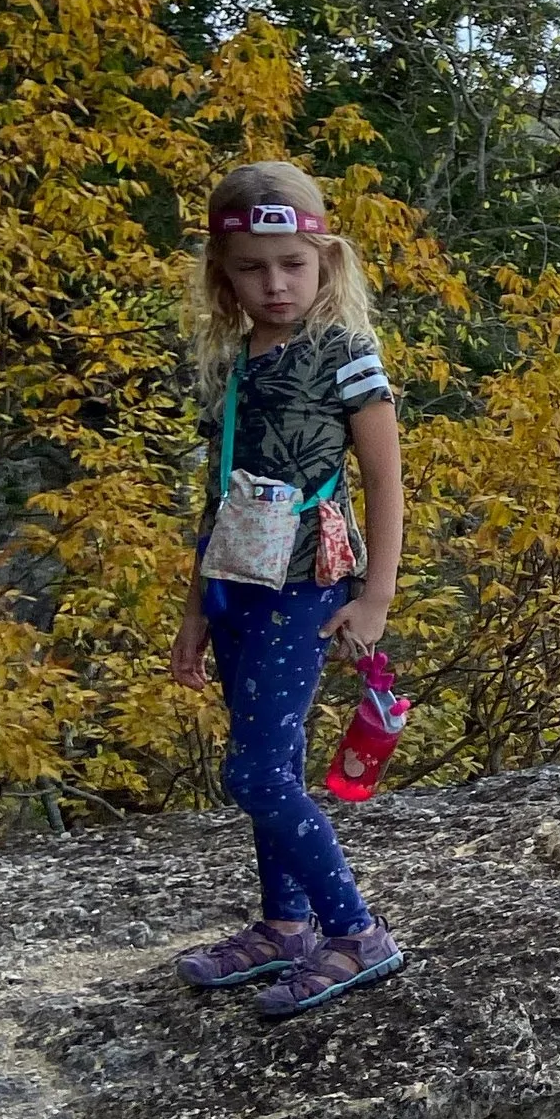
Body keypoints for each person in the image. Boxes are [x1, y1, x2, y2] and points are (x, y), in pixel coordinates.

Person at [168, 160, 408, 1017]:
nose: (274, 284)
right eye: (251, 268)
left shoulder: (344, 354)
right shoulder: (235, 362)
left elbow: (385, 481)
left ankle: (355, 930)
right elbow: (219, 496)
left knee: (258, 773)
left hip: (307, 585)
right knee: (273, 758)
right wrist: (195, 615)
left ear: (325, 263)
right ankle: (285, 925)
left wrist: (374, 597)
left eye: (292, 265)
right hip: (238, 586)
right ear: (222, 276)